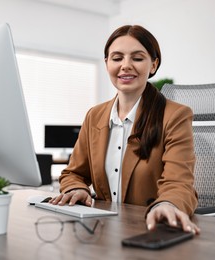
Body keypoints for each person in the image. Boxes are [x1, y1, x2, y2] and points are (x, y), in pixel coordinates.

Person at [49, 25, 200, 234]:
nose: (126, 66)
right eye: (117, 58)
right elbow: (74, 172)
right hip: (102, 232)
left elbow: (179, 182)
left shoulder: (175, 116)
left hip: (150, 231)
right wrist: (77, 189)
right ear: (107, 63)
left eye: (137, 58)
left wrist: (167, 204)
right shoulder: (95, 116)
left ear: (153, 65)